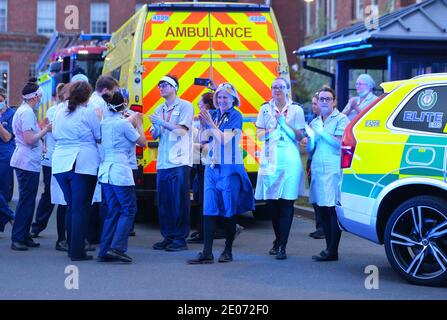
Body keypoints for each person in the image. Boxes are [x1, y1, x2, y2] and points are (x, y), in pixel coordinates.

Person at [188, 82, 254, 264]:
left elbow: (224, 139)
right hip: (211, 167)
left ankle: (227, 250)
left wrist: (210, 123)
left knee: (228, 210)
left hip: (229, 168)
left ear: (234, 99)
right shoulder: (214, 114)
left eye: (226, 97)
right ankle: (207, 252)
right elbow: (204, 139)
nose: (221, 100)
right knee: (208, 209)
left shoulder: (236, 116)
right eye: (219, 97)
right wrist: (203, 125)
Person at [254, 77, 306, 260]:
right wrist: (273, 128)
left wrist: (285, 124)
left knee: (287, 202)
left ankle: (282, 245)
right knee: (273, 204)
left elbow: (300, 135)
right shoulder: (265, 108)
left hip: (289, 160)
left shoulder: (296, 109)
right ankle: (277, 239)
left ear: (287, 89)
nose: (277, 90)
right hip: (270, 159)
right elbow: (259, 134)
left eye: (281, 87)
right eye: (274, 87)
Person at [52, 81, 100, 261]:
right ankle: (77, 251)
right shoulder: (88, 111)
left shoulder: (59, 110)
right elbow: (98, 135)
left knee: (72, 206)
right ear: (87, 96)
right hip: (82, 162)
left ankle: (73, 246)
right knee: (80, 209)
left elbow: (55, 133)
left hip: (61, 163)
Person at [97, 91, 146, 263]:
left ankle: (104, 250)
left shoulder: (104, 123)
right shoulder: (123, 124)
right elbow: (143, 142)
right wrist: (138, 123)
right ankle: (117, 248)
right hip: (120, 170)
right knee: (128, 209)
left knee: (113, 210)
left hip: (106, 172)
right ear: (123, 104)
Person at [149, 75, 194, 252]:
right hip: (163, 162)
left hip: (179, 160)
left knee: (179, 201)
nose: (161, 87)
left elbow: (182, 131)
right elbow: (154, 134)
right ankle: (167, 236)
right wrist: (156, 128)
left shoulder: (185, 106)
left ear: (174, 87)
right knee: (165, 202)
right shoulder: (159, 108)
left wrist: (162, 123)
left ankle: (180, 239)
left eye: (165, 85)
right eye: (159, 85)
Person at [306, 86, 349, 261]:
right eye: (321, 99)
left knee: (331, 208)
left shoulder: (341, 119)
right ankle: (327, 248)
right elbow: (311, 148)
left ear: (334, 101)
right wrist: (309, 141)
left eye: (327, 99)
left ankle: (333, 250)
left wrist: (321, 133)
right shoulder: (315, 121)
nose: (323, 102)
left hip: (332, 168)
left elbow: (338, 144)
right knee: (321, 208)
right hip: (317, 166)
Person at [10, 78, 52, 250]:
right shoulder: (26, 113)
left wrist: (40, 138)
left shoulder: (24, 111)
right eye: (40, 96)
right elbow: (28, 139)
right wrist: (45, 130)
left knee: (27, 201)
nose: (41, 99)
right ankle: (18, 237)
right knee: (26, 201)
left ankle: (24, 235)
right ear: (34, 96)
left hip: (26, 160)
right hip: (26, 161)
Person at [30, 83, 68, 239]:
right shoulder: (55, 111)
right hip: (54, 158)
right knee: (55, 196)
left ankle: (37, 227)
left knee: (50, 195)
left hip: (51, 159)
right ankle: (39, 226)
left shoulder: (53, 111)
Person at [303, 93, 325, 240]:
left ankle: (323, 227)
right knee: (315, 194)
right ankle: (320, 226)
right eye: (312, 104)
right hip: (311, 161)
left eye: (315, 104)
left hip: (320, 162)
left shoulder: (323, 122)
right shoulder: (312, 119)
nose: (313, 106)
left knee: (322, 195)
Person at [0, 88, 16, 232]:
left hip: (5, 156)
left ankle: (1, 225)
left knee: (3, 191)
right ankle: (12, 216)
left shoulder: (11, 114)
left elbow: (7, 137)